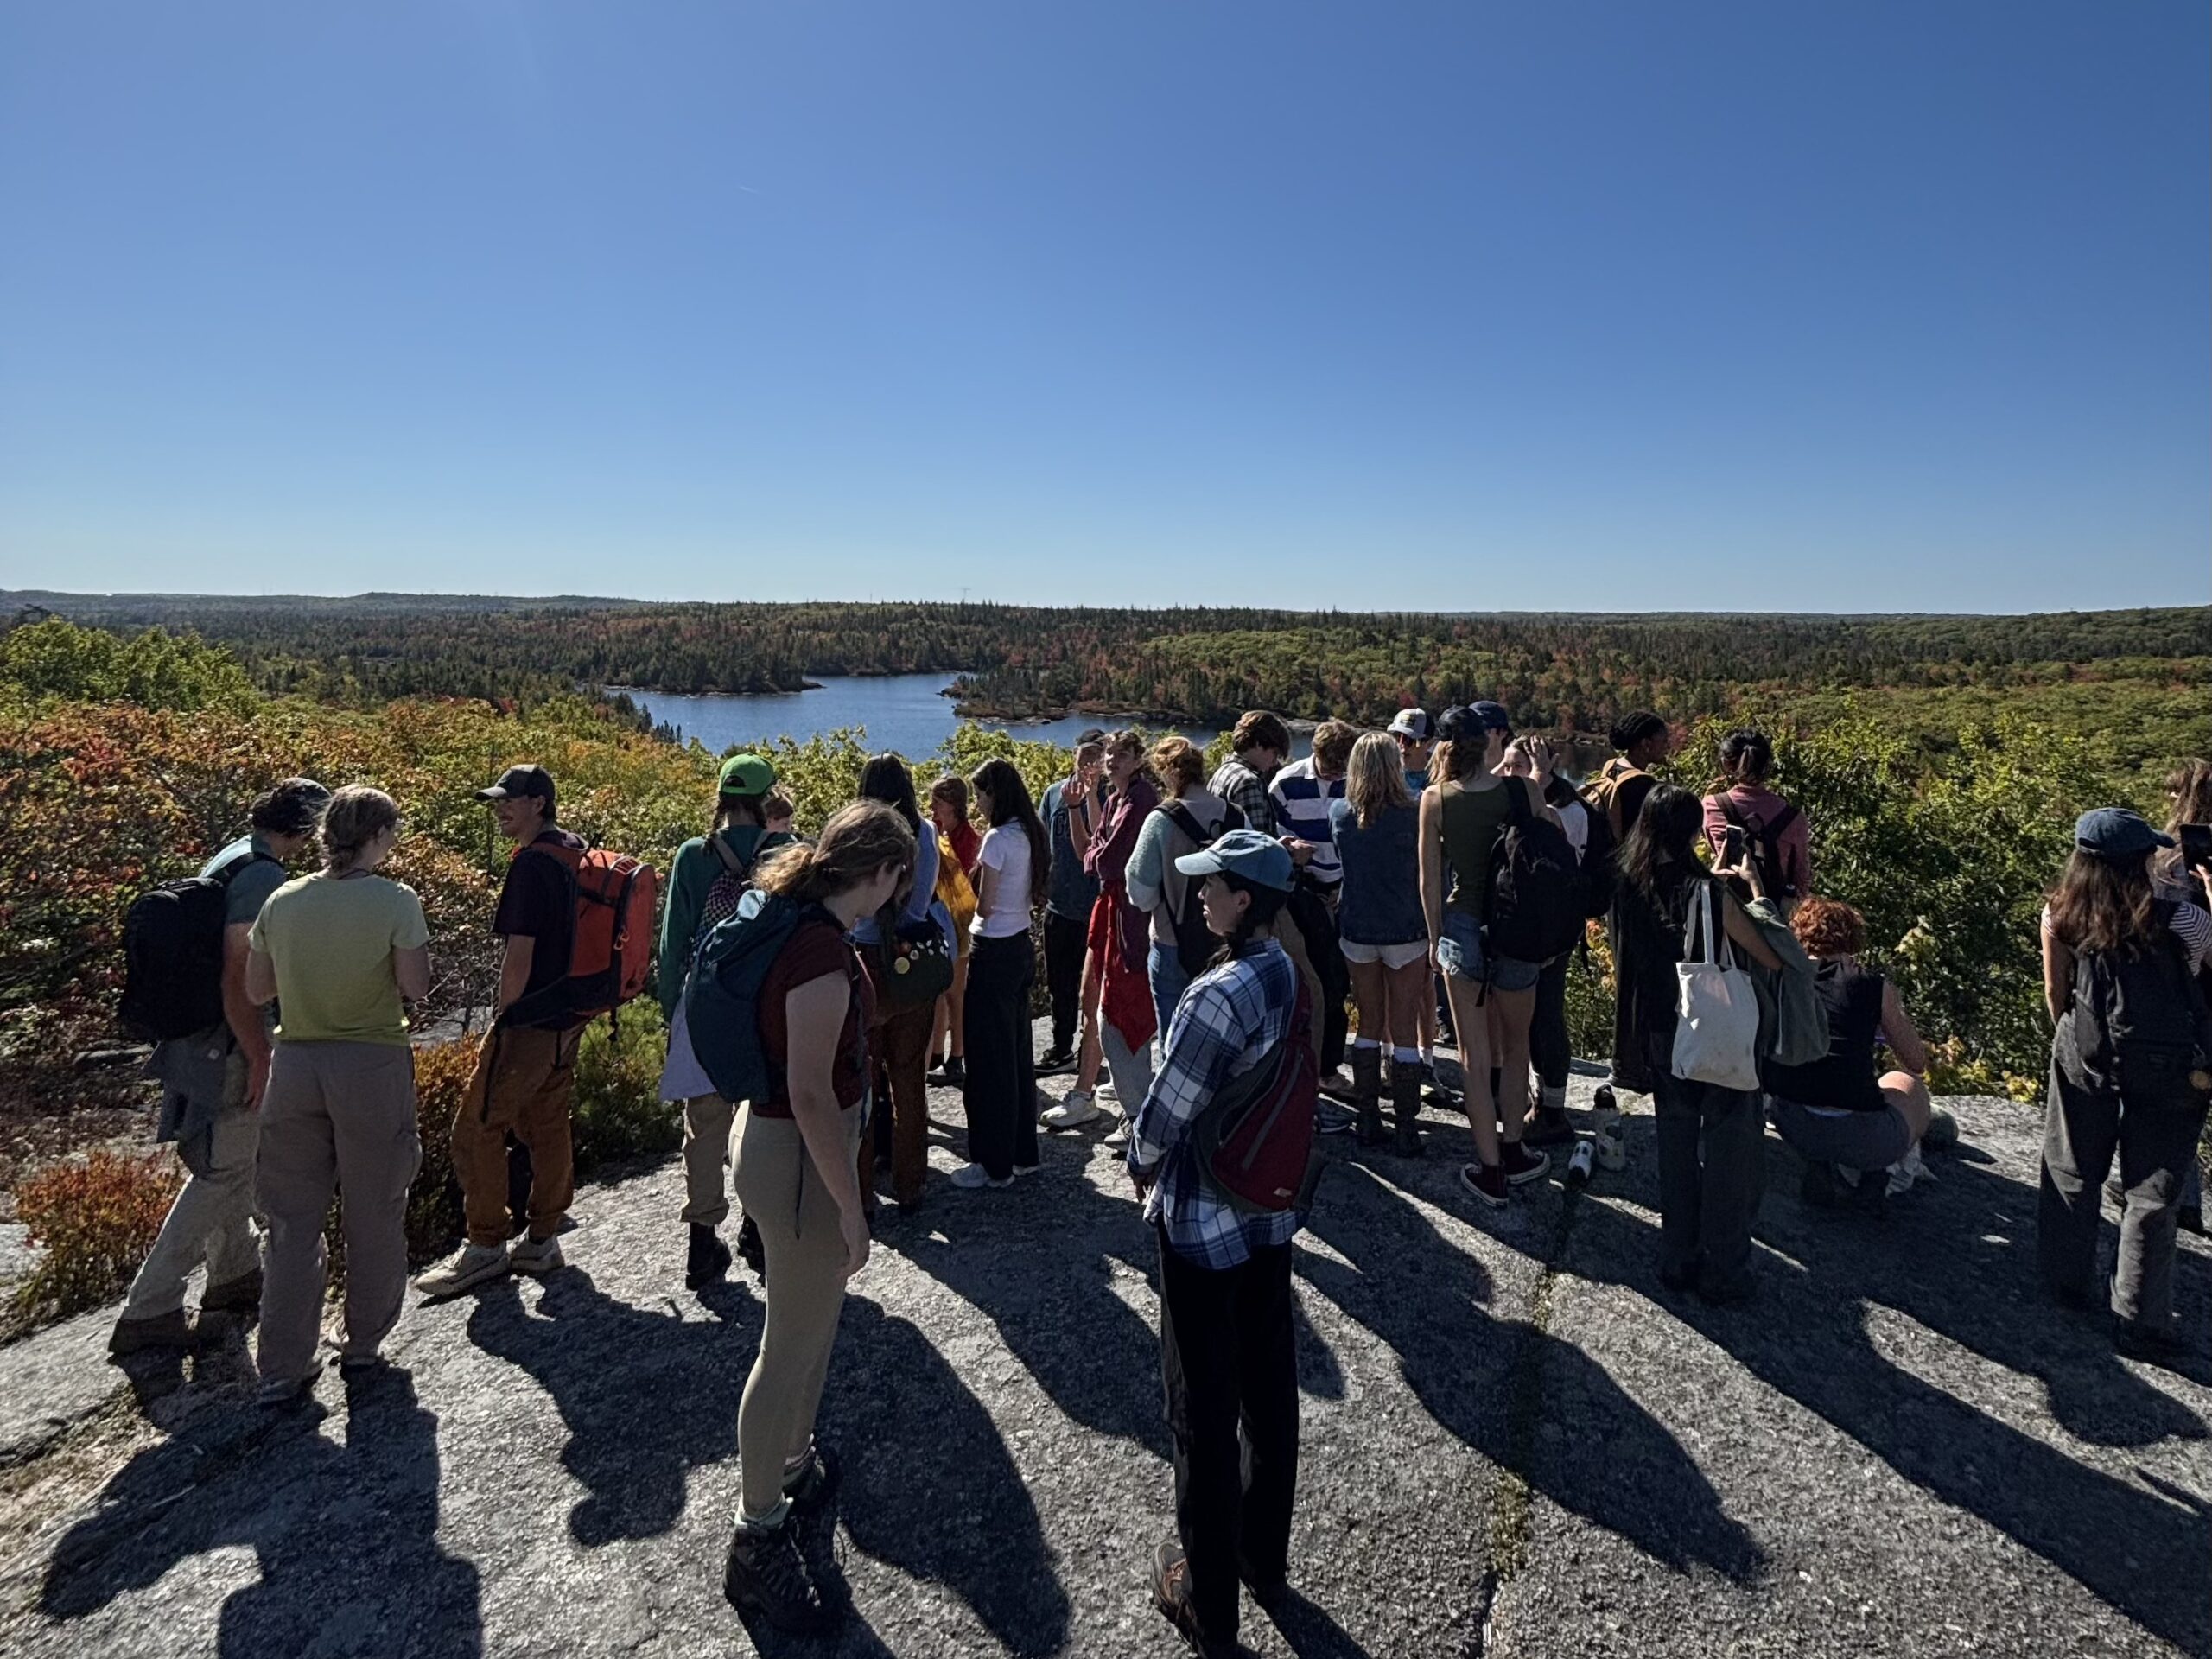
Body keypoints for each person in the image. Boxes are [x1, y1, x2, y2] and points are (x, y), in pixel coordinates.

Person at [721, 801, 912, 1634]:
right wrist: (852, 1211)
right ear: (878, 875)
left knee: (810, 1326)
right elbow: (807, 1094)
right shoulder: (820, 955)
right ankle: (756, 1533)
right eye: (896, 878)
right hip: (797, 1162)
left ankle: (793, 1467)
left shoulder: (794, 920)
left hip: (780, 1149)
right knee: (788, 1344)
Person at [1127, 829, 1306, 1659]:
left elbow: (1162, 1118)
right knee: (1268, 1387)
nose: (1199, 896)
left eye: (1213, 886)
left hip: (1201, 1224)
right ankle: (1262, 1558)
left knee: (1199, 1407)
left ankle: (1208, 1603)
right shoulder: (1289, 974)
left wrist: (1137, 1165)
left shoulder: (1218, 994)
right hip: (1269, 1214)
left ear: (1245, 901)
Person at [109, 778, 331, 1357]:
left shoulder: (235, 853)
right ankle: (150, 1306)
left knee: (233, 1159)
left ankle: (234, 1276)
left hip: (205, 1037)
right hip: (229, 1044)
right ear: (307, 826)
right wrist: (260, 1054)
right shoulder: (263, 877)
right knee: (225, 1171)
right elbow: (239, 977)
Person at [245, 786, 431, 1406]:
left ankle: (282, 1364)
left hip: (295, 1064)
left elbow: (255, 990)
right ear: (377, 836)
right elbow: (415, 986)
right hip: (370, 1064)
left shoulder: (283, 899)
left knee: (291, 1220)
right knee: (373, 1207)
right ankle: (362, 1344)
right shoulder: (395, 901)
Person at [2037, 808, 2212, 1366]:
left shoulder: (2059, 914)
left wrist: (2075, 1040)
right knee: (2152, 1191)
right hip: (2169, 1063)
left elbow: (2055, 991)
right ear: (2140, 861)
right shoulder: (2182, 918)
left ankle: (2067, 1282)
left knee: (2072, 1166)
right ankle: (2140, 1319)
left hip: (2086, 1051)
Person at [414, 764, 586, 1297]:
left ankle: (486, 1246)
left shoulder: (533, 865)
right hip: (569, 1016)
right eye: (497, 802)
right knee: (547, 1121)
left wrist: (504, 1017)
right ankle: (542, 1239)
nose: (500, 810)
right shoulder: (574, 849)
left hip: (530, 1021)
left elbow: (520, 955)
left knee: (477, 1128)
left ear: (539, 802)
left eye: (509, 801)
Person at [1610, 785, 1783, 1304]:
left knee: (1677, 1148)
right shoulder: (1706, 893)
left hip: (1660, 1030)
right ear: (1690, 832)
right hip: (1710, 1026)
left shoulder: (1623, 880)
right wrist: (1753, 891)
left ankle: (1677, 1257)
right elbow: (1770, 956)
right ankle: (1726, 1270)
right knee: (1731, 1149)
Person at [656, 753, 796, 1287]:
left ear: (722, 801)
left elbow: (673, 945)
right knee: (764, 1117)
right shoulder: (788, 853)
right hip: (766, 1007)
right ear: (766, 801)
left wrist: (677, 1010)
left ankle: (700, 1243)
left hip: (706, 1004)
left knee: (704, 1126)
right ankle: (757, 1231)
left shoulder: (693, 856)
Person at [1421, 703, 1560, 1206]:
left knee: (1474, 1058)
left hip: (1463, 928)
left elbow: (1429, 879)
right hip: (1518, 929)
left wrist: (1436, 940)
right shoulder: (1521, 789)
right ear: (1489, 743)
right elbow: (1553, 842)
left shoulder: (1436, 798)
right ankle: (1515, 1149)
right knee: (1516, 1047)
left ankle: (1490, 1170)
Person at [1764, 898, 1935, 1205]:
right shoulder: (1870, 985)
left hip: (1792, 1121)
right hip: (1862, 1135)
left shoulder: (1781, 979)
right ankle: (1879, 1173)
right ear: (1852, 939)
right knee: (1907, 1083)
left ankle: (1824, 1165)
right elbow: (1916, 1061)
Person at [850, 753, 951, 1211]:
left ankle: (862, 1189)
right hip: (910, 962)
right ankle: (912, 1183)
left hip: (865, 961)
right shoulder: (924, 833)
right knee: (910, 1079)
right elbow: (923, 899)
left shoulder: (855, 831)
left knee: (863, 1081)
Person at [954, 760, 1050, 1190]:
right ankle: (1022, 1152)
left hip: (992, 947)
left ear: (994, 794)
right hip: (1021, 945)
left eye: (979, 794)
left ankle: (993, 1163)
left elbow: (985, 905)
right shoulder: (1029, 832)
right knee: (1016, 1053)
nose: (977, 802)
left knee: (988, 1060)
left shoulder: (996, 840)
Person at [1330, 732, 1427, 1151]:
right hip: (1406, 928)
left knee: (1368, 1022)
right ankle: (1406, 1126)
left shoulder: (1339, 812)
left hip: (1357, 926)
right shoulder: (1417, 811)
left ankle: (1368, 1116)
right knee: (1403, 1026)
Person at [1072, 731, 1162, 1144]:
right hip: (1113, 911)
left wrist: (1098, 853)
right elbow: (1095, 852)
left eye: (1122, 754)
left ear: (1138, 759)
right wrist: (1097, 852)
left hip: (1131, 917)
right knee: (1103, 1003)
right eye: (1109, 753)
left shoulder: (1141, 799)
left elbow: (1105, 861)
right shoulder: (1113, 799)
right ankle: (1135, 1108)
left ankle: (1139, 1114)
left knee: (1125, 1008)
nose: (1112, 760)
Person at [1126, 735, 1241, 1041]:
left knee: (1173, 1038)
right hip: (1229, 943)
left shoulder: (1161, 821)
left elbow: (1139, 891)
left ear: (1169, 772)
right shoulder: (1235, 816)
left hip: (1171, 940)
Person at [1271, 719, 1357, 1083]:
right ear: (1315, 754)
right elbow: (1273, 837)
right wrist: (1289, 850)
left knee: (1338, 981)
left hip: (1345, 891)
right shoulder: (1285, 784)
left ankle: (1328, 1066)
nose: (1336, 773)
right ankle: (1300, 1058)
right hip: (1303, 892)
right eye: (1331, 766)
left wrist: (1346, 886)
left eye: (1343, 766)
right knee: (1310, 978)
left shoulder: (1355, 783)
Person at [1523, 763, 1598, 1148]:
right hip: (1556, 931)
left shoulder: (1563, 816)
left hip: (1548, 935)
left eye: (1516, 766)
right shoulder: (1574, 808)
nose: (1507, 772)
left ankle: (1551, 1112)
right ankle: (1545, 1105)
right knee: (1540, 1018)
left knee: (1545, 1019)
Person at [1039, 734, 1106, 1073]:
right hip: (1058, 904)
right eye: (1084, 758)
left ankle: (1091, 1052)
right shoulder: (1054, 794)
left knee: (1092, 990)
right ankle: (1062, 1047)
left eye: (1097, 759)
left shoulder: (1108, 798)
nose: (1088, 766)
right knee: (1059, 983)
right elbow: (1040, 838)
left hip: (1094, 907)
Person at [1702, 729, 1811, 912]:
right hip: (1777, 915)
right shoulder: (1793, 818)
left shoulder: (1712, 807)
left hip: (1730, 911)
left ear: (1727, 765)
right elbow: (1801, 877)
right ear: (1767, 765)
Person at [927, 775, 981, 1085]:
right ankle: (936, 1052)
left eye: (937, 801)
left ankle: (956, 1055)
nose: (932, 807)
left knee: (954, 994)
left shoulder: (968, 840)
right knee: (938, 993)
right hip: (941, 925)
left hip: (960, 927)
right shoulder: (939, 834)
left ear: (951, 804)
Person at [1208, 709, 1294, 838]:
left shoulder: (1224, 770)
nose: (1275, 762)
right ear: (1258, 744)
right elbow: (1257, 844)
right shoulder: (1249, 782)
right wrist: (1290, 851)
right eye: (1274, 753)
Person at [1589, 711, 1669, 843]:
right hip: (1624, 858)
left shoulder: (1611, 765)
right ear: (1646, 744)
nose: (1666, 746)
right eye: (1663, 741)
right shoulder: (1642, 784)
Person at [1389, 708, 1436, 791]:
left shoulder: (1440, 777)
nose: (1402, 744)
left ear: (1429, 744)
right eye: (1397, 736)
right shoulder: (1385, 775)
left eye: (1411, 740)